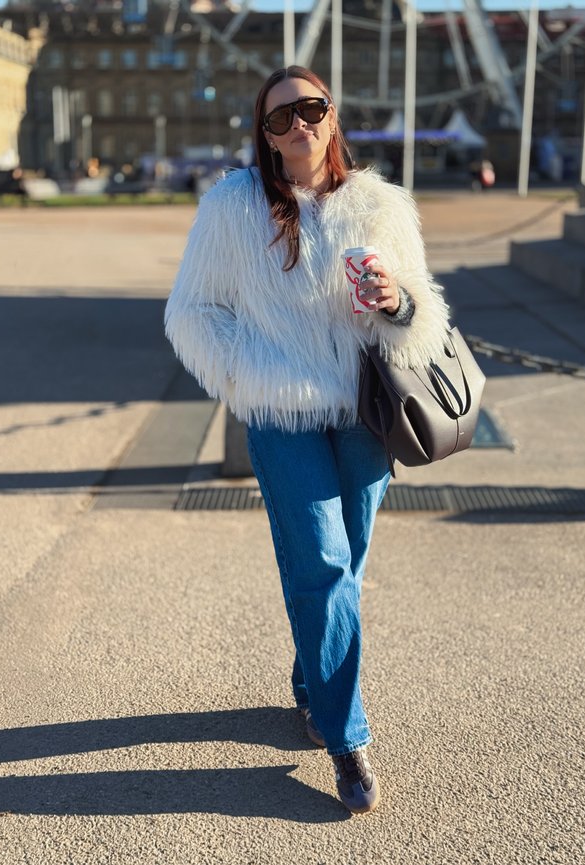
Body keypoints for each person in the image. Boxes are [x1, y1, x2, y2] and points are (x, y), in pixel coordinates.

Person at [165, 66, 450, 814]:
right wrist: (252, 373)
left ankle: (311, 680)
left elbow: (426, 314)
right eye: (279, 117)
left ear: (333, 115)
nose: (298, 125)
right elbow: (190, 311)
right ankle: (347, 738)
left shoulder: (381, 205)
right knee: (321, 563)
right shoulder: (233, 206)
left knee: (345, 565)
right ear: (263, 134)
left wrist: (397, 302)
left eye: (311, 108)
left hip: (365, 410)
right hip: (280, 411)